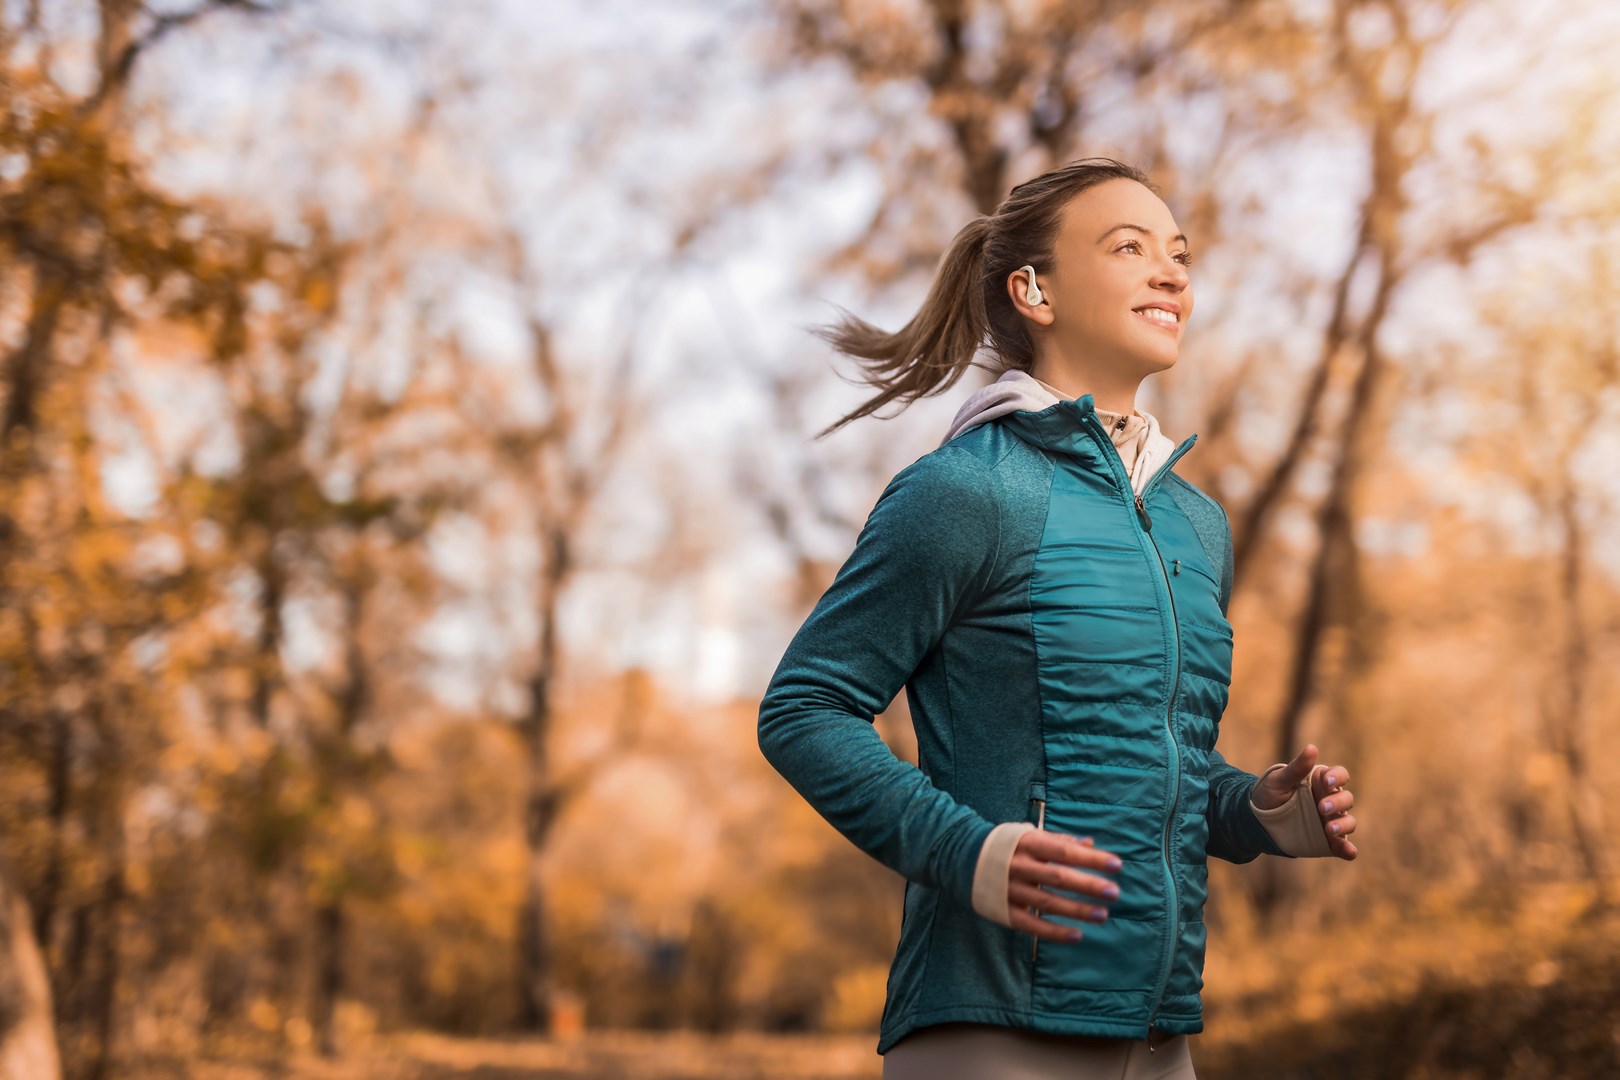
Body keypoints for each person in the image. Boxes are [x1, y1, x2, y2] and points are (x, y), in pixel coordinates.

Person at [756, 157, 1361, 1080]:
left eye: (1179, 255)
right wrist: (965, 852)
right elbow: (804, 708)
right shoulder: (967, 491)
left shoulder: (1195, 525)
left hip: (1159, 1036)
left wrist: (1256, 812)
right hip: (990, 1026)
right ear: (1034, 291)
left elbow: (1150, 764)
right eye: (1129, 248)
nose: (1171, 275)